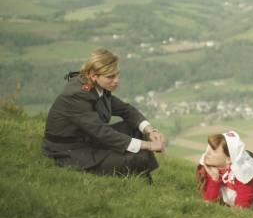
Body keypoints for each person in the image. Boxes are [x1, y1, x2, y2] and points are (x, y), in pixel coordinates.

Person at [42, 48, 164, 180]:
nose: (116, 80)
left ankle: (143, 177)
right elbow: (102, 132)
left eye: (117, 75)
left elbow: (125, 110)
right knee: (136, 158)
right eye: (110, 77)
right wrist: (149, 145)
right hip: (69, 151)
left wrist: (150, 131)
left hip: (88, 138)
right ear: (94, 75)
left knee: (138, 131)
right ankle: (144, 183)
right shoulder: (76, 95)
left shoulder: (98, 86)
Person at [196, 131, 253, 215]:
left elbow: (241, 208)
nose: (207, 153)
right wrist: (215, 178)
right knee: (227, 192)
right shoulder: (215, 167)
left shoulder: (242, 174)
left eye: (213, 151)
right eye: (209, 149)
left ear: (228, 159)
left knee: (229, 193)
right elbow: (209, 202)